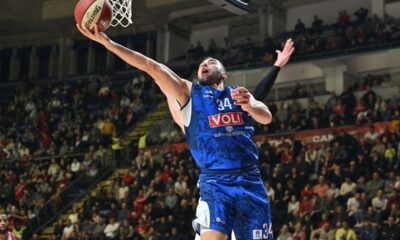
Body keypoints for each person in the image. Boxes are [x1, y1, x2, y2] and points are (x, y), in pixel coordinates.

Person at [77, 23, 277, 240]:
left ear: (224, 74)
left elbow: (266, 116)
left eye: (211, 62)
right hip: (216, 183)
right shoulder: (189, 93)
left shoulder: (238, 94)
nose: (204, 63)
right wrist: (108, 43)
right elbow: (150, 66)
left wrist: (250, 106)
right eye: (202, 63)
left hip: (249, 179)